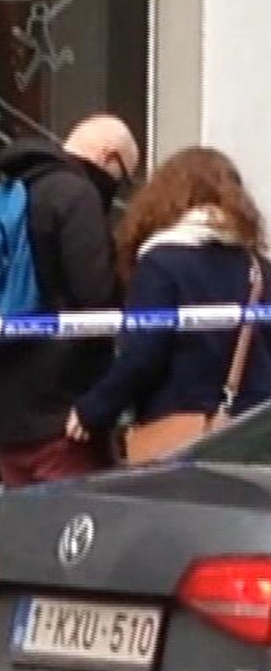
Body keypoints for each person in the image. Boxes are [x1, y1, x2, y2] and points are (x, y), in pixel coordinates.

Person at [67, 146, 271, 457]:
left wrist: (93, 409)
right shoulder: (257, 266)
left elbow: (144, 354)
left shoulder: (161, 263)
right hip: (256, 432)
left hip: (183, 431)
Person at [0, 114, 142, 486]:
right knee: (73, 536)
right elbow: (96, 297)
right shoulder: (76, 195)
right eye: (124, 176)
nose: (118, 187)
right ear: (108, 156)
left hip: (6, 410)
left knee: (25, 534)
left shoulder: (10, 189)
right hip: (61, 415)